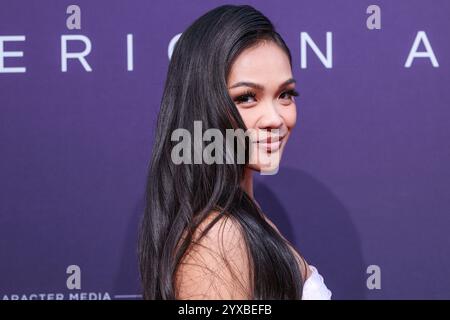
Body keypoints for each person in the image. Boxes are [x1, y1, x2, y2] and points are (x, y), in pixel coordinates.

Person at [139, 4, 332, 300]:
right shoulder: (216, 239)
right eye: (246, 98)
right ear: (201, 107)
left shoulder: (241, 220)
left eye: (285, 94)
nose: (275, 119)